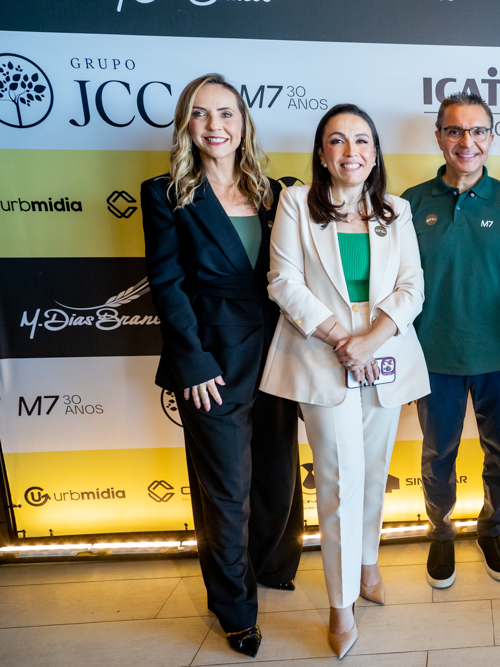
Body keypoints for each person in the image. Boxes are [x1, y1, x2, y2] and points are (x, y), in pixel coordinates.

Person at [141, 73, 302, 659]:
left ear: (243, 123)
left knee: (277, 476)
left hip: (279, 354)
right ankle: (235, 609)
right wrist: (192, 361)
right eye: (201, 113)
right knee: (227, 491)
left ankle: (272, 566)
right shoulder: (165, 193)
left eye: (226, 113)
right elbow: (167, 283)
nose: (215, 125)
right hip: (211, 361)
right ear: (186, 123)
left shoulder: (277, 191)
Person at [260, 104, 429, 659]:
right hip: (320, 352)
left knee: (375, 468)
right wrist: (342, 339)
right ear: (321, 152)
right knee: (337, 479)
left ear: (375, 153)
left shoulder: (397, 210)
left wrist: (370, 339)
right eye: (337, 140)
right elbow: (283, 282)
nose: (350, 151)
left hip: (382, 352)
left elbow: (411, 287)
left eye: (361, 141)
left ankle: (367, 563)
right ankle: (340, 604)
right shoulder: (295, 204)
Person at [402, 92, 500, 589]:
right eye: (455, 130)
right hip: (432, 356)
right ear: (439, 136)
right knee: (438, 455)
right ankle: (441, 532)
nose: (467, 141)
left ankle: (492, 530)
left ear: (491, 137)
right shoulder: (410, 203)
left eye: (478, 130)